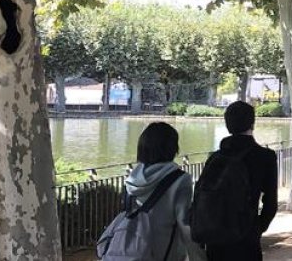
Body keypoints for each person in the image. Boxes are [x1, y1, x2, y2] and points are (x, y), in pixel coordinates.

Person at [97, 122, 206, 261]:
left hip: (128, 251)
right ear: (172, 147)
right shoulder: (180, 180)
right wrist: (199, 257)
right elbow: (185, 225)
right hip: (162, 252)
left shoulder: (132, 178)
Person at [191, 101, 278, 261]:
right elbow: (271, 203)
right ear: (252, 123)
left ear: (227, 124)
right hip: (246, 236)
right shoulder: (265, 156)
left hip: (215, 234)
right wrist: (256, 228)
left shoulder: (215, 157)